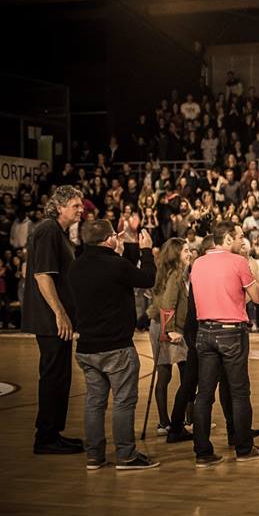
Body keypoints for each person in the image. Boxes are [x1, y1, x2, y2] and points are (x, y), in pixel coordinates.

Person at [68, 219, 158, 470]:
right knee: (123, 401)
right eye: (114, 237)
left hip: (87, 347)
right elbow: (147, 278)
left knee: (94, 403)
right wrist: (146, 250)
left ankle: (95, 455)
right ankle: (126, 455)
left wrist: (115, 250)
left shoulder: (75, 267)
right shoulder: (117, 265)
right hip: (116, 346)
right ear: (109, 239)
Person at [190, 221, 259, 467]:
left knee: (204, 394)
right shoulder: (238, 262)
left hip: (204, 331)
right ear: (227, 240)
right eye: (239, 236)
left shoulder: (197, 263)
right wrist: (252, 274)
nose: (242, 241)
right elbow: (257, 298)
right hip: (231, 331)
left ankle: (202, 452)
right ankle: (244, 448)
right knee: (239, 392)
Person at [23, 185, 85, 455]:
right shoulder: (48, 230)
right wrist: (60, 313)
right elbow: (42, 276)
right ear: (59, 207)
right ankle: (46, 436)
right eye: (76, 205)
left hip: (56, 318)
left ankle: (53, 432)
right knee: (53, 375)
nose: (81, 209)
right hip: (50, 319)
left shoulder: (56, 232)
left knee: (59, 375)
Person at [147, 237, 192, 441]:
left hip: (158, 325)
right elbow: (168, 303)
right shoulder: (175, 274)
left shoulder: (164, 272)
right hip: (168, 327)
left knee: (165, 375)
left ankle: (166, 422)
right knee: (186, 373)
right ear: (176, 254)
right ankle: (183, 421)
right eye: (185, 251)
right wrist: (171, 330)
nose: (189, 253)